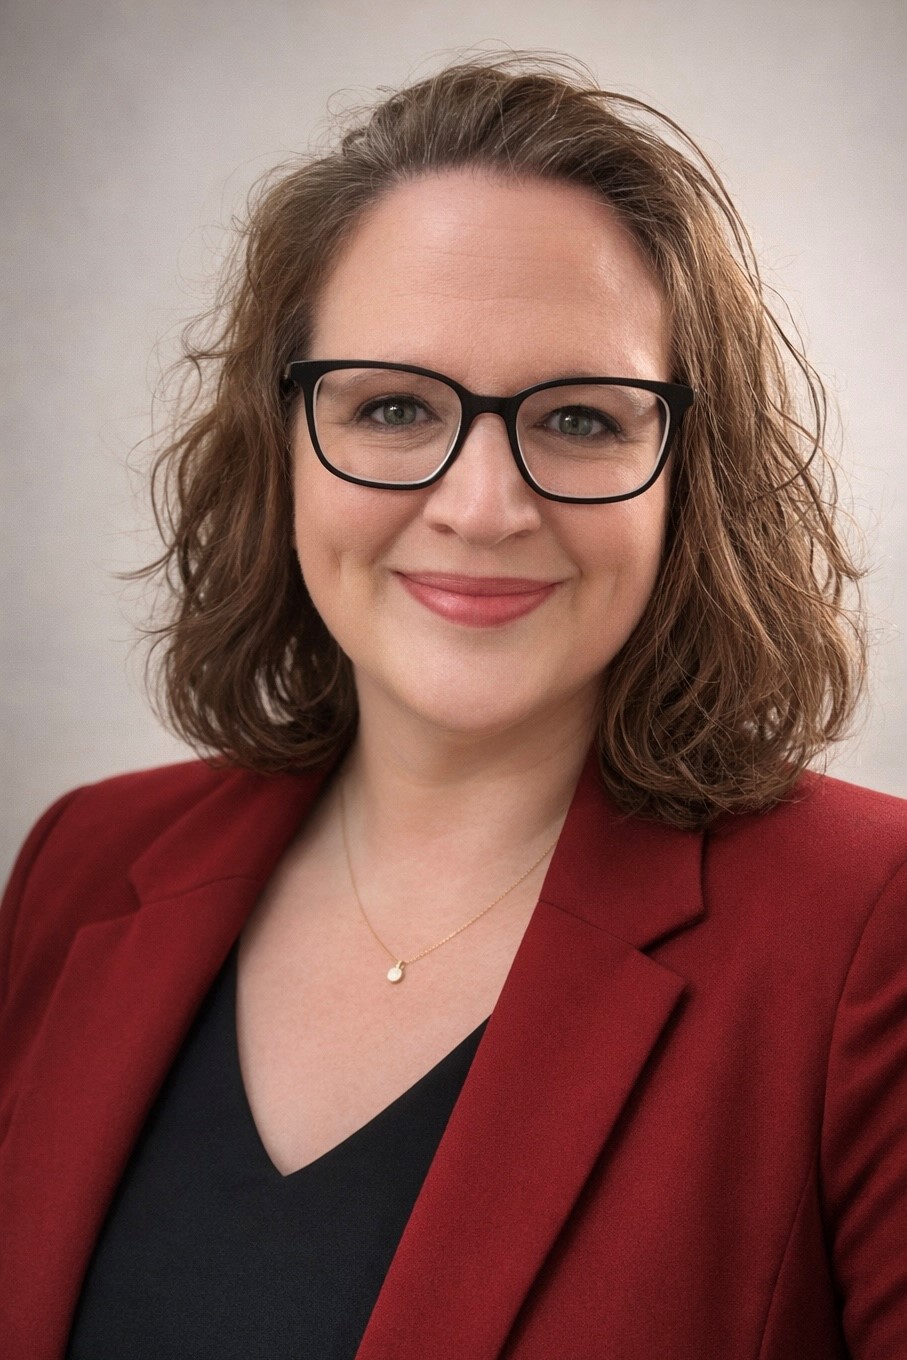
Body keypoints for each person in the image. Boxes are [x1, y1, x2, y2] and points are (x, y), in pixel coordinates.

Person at [1, 51, 905, 1360]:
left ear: (687, 477)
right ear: (284, 440)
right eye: (392, 406)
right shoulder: (80, 868)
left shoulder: (871, 937)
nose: (483, 507)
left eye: (583, 421)